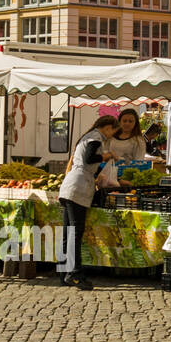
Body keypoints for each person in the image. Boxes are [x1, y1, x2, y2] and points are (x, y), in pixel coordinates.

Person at [57, 115, 119, 290]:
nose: (111, 136)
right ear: (107, 127)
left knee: (68, 233)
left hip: (71, 186)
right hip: (78, 188)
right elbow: (89, 158)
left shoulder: (87, 136)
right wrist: (107, 155)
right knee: (75, 233)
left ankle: (64, 273)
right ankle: (74, 274)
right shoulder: (95, 138)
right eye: (113, 131)